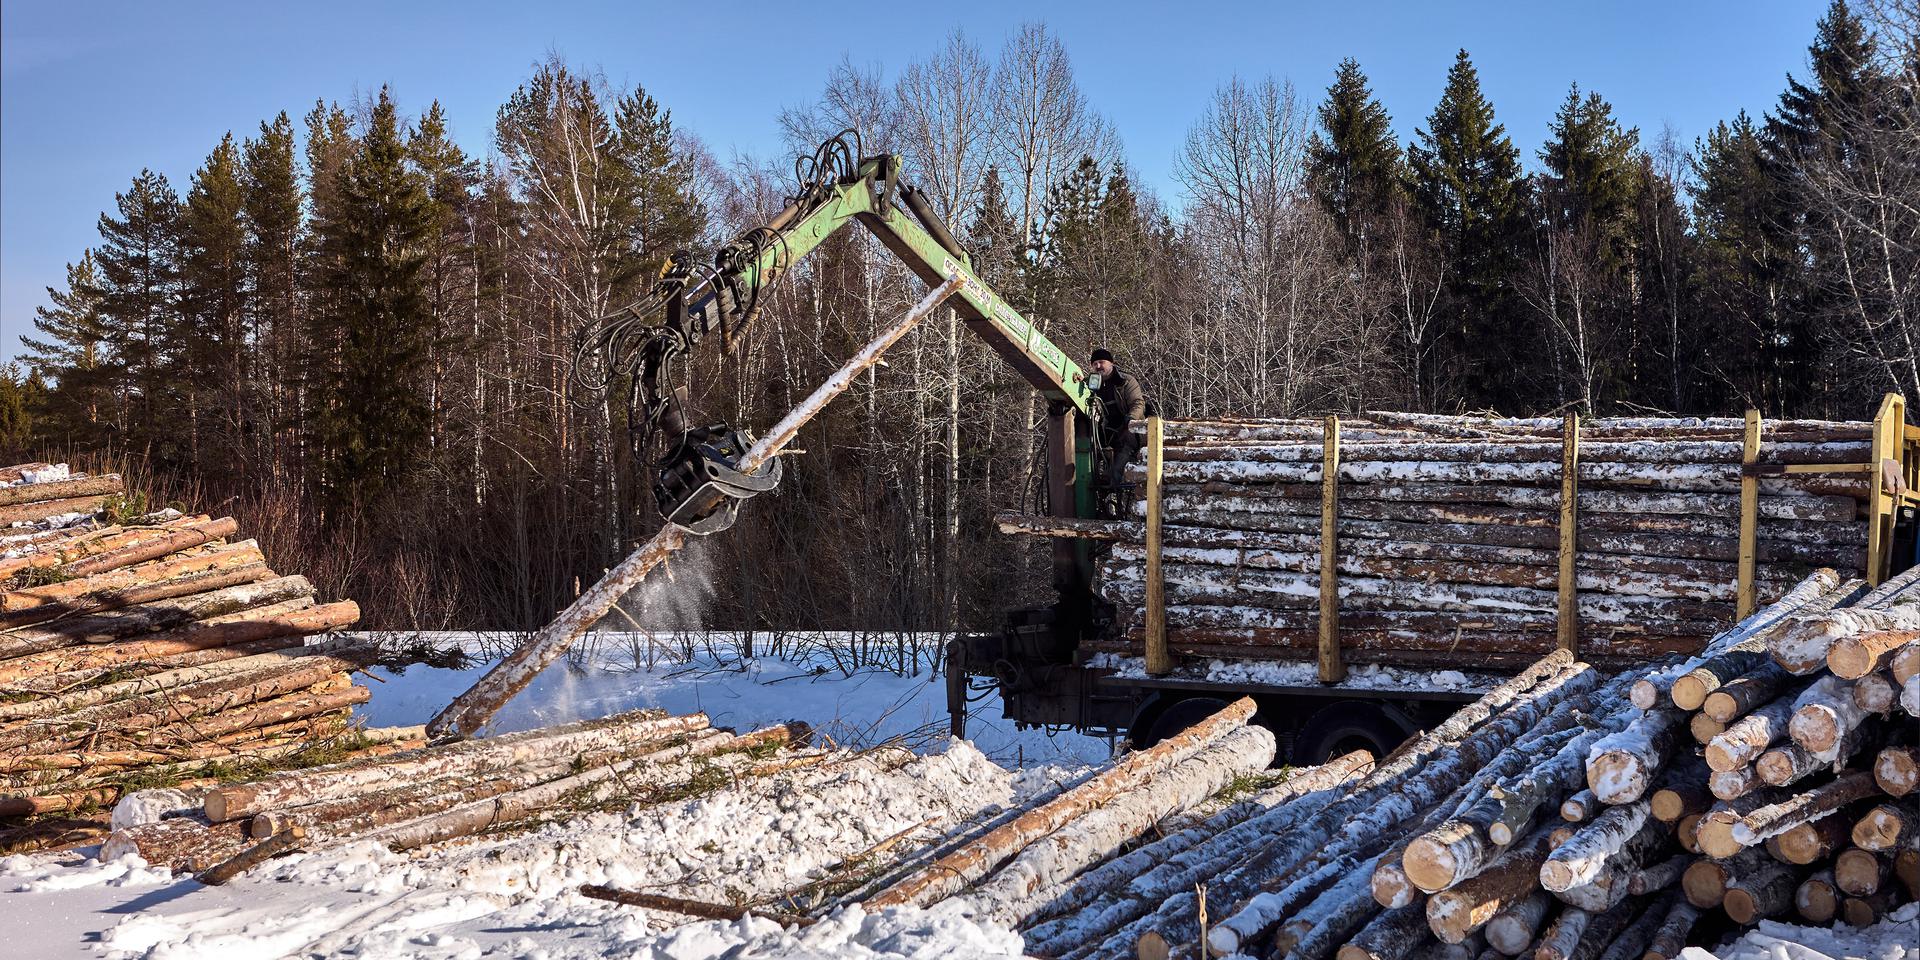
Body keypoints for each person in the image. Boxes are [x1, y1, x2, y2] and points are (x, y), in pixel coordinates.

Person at [1087, 348, 1148, 488]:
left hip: (1126, 429)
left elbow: (1138, 403)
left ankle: (1112, 478)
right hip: (1102, 431)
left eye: (1101, 362)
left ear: (1111, 363)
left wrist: (1131, 418)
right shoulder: (1090, 385)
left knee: (1125, 444)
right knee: (1084, 444)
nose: (1098, 366)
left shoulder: (1126, 381)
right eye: (1094, 364)